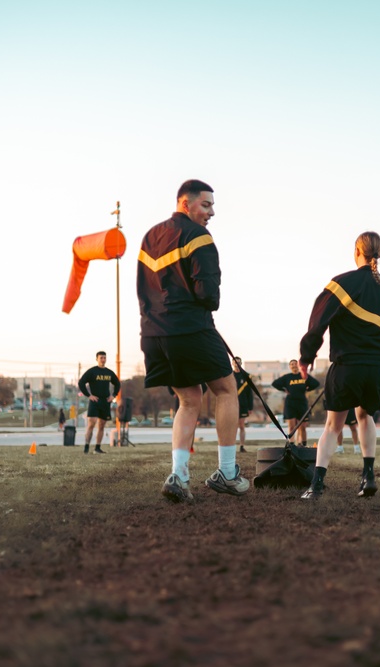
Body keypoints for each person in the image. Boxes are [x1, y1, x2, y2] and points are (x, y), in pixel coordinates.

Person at [137, 179, 249, 502]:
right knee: (226, 389)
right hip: (190, 328)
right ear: (186, 204)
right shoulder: (198, 236)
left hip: (153, 333)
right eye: (206, 205)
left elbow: (143, 290)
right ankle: (227, 473)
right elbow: (208, 294)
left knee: (189, 400)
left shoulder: (149, 236)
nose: (212, 212)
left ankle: (179, 475)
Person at [296, 231, 380, 500]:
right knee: (365, 416)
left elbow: (317, 322)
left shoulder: (342, 284)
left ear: (357, 251)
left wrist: (306, 357)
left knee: (333, 426)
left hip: (348, 366)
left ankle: (316, 484)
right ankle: (368, 477)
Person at [77, 351, 121, 454]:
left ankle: (97, 448)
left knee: (101, 425)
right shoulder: (92, 371)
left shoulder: (109, 372)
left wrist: (113, 395)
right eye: (101, 358)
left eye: (104, 358)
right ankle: (86, 447)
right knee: (91, 424)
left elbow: (117, 384)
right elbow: (81, 382)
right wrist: (89, 395)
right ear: (97, 359)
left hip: (105, 402)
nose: (103, 359)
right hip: (94, 401)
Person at [272, 360, 321, 446]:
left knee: (302, 427)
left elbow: (316, 383)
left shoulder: (303, 376)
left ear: (298, 366)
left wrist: (307, 389)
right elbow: (275, 384)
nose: (294, 366)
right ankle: (291, 444)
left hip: (302, 403)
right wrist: (284, 390)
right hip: (290, 403)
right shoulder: (287, 377)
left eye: (295, 364)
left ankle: (302, 444)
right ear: (290, 367)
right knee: (291, 426)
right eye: (292, 364)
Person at [233, 357, 254, 453]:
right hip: (231, 404)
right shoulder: (228, 375)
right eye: (234, 362)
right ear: (232, 363)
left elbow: (250, 393)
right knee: (232, 426)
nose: (236, 364)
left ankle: (242, 446)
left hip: (243, 404)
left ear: (241, 363)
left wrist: (250, 407)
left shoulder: (246, 376)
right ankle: (230, 446)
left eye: (238, 362)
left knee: (241, 426)